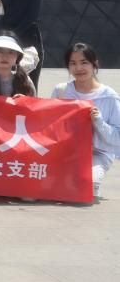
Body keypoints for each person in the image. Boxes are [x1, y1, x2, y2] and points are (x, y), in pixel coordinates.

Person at [52, 42, 120, 200]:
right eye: (73, 63)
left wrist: (99, 122)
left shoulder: (109, 97)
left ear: (95, 64)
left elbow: (117, 138)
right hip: (67, 151)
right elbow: (49, 123)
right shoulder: (61, 91)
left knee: (88, 185)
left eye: (84, 62)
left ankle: (91, 182)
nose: (78, 68)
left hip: (99, 152)